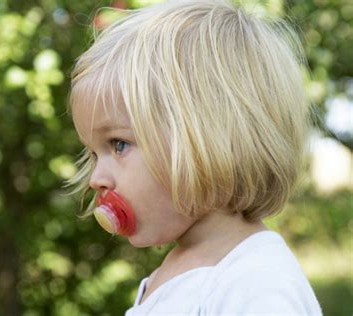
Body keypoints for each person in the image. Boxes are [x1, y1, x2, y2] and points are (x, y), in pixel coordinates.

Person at [66, 0, 322, 314]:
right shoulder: (175, 271)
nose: (96, 178)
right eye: (94, 153)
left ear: (211, 137)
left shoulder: (256, 282)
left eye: (118, 145)